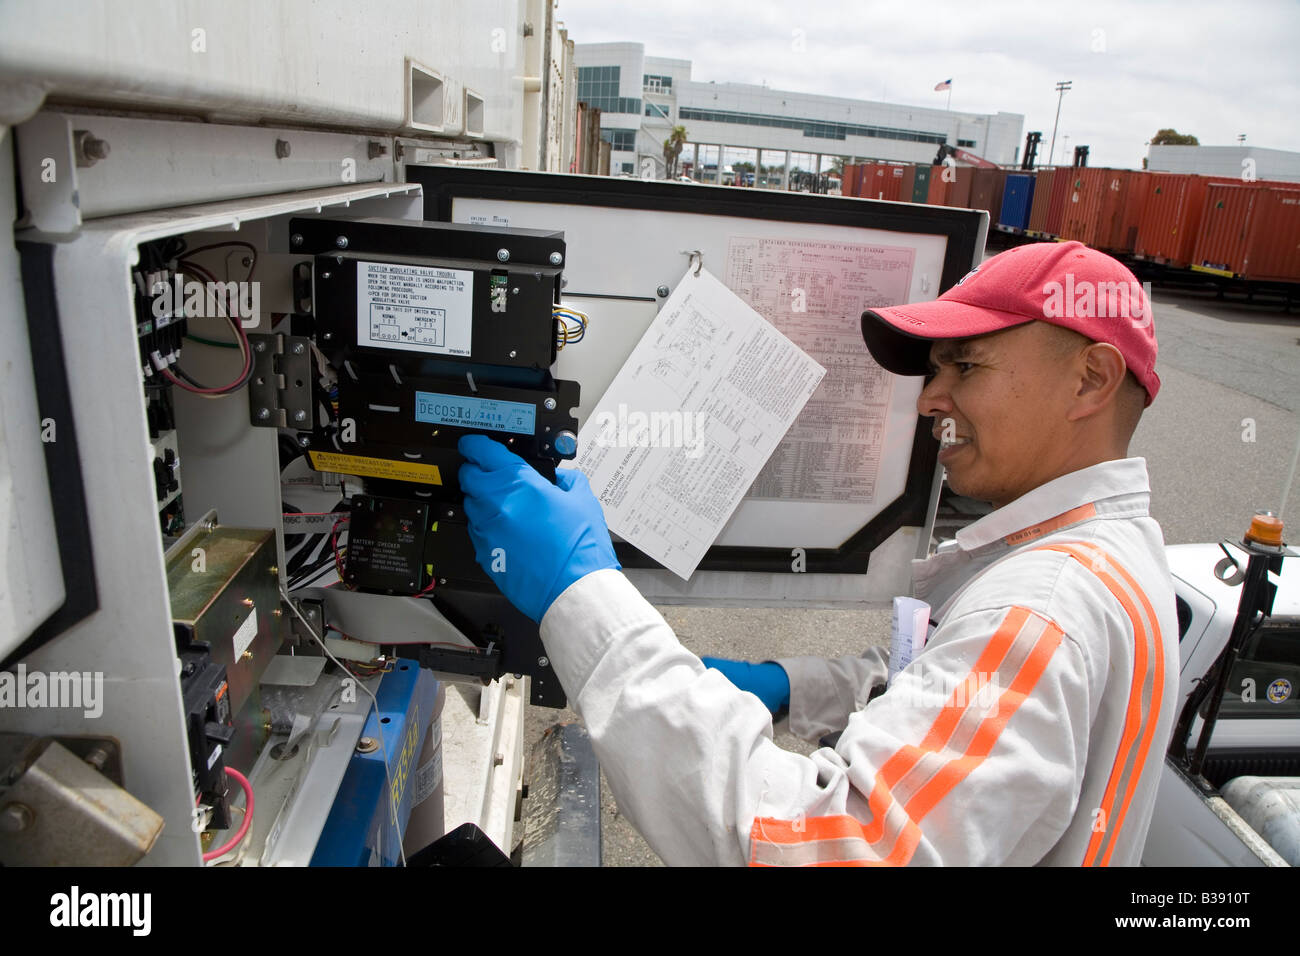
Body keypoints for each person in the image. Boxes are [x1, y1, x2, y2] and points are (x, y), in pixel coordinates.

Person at [457, 240, 1179, 866]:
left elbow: (818, 847)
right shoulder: (1111, 556)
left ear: (1090, 379)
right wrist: (786, 686)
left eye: (966, 366)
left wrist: (583, 598)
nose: (931, 399)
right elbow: (933, 683)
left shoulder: (1043, 609)